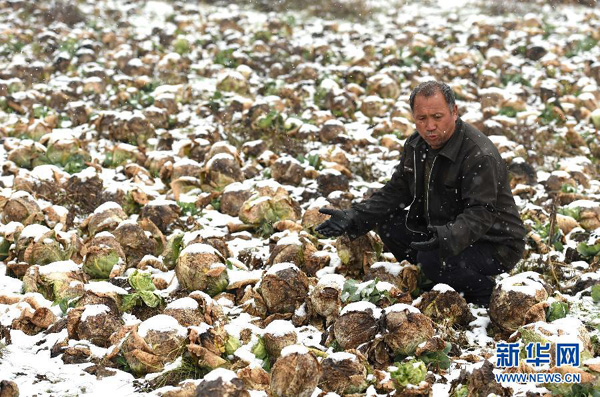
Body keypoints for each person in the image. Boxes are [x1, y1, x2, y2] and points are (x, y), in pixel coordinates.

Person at [316, 81, 526, 306]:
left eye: (437, 117)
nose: (430, 126)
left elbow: (480, 213)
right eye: (422, 119)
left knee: (431, 259)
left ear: (454, 112)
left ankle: (482, 292)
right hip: (443, 227)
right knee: (388, 222)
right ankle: (437, 275)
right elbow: (396, 191)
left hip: (495, 242)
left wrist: (446, 237)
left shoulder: (478, 154)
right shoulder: (417, 145)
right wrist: (354, 216)